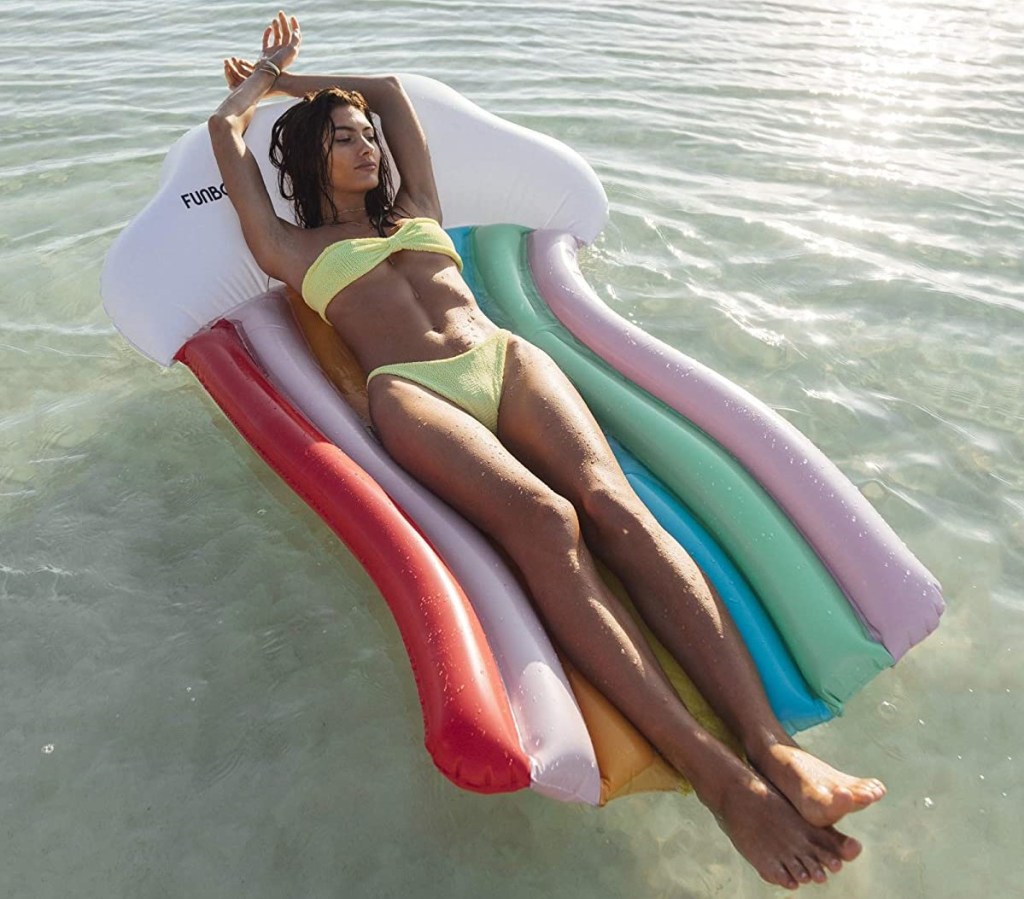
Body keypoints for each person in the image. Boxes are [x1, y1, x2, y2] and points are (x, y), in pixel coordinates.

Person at [209, 11, 886, 890]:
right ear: (308, 159)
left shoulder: (416, 207)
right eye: (344, 140)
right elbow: (225, 131)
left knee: (616, 510)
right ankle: (719, 778)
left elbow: (391, 93)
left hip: (501, 359)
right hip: (412, 393)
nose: (368, 145)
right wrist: (264, 84)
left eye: (367, 137)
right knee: (546, 520)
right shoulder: (292, 246)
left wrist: (312, 82)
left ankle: (777, 750)